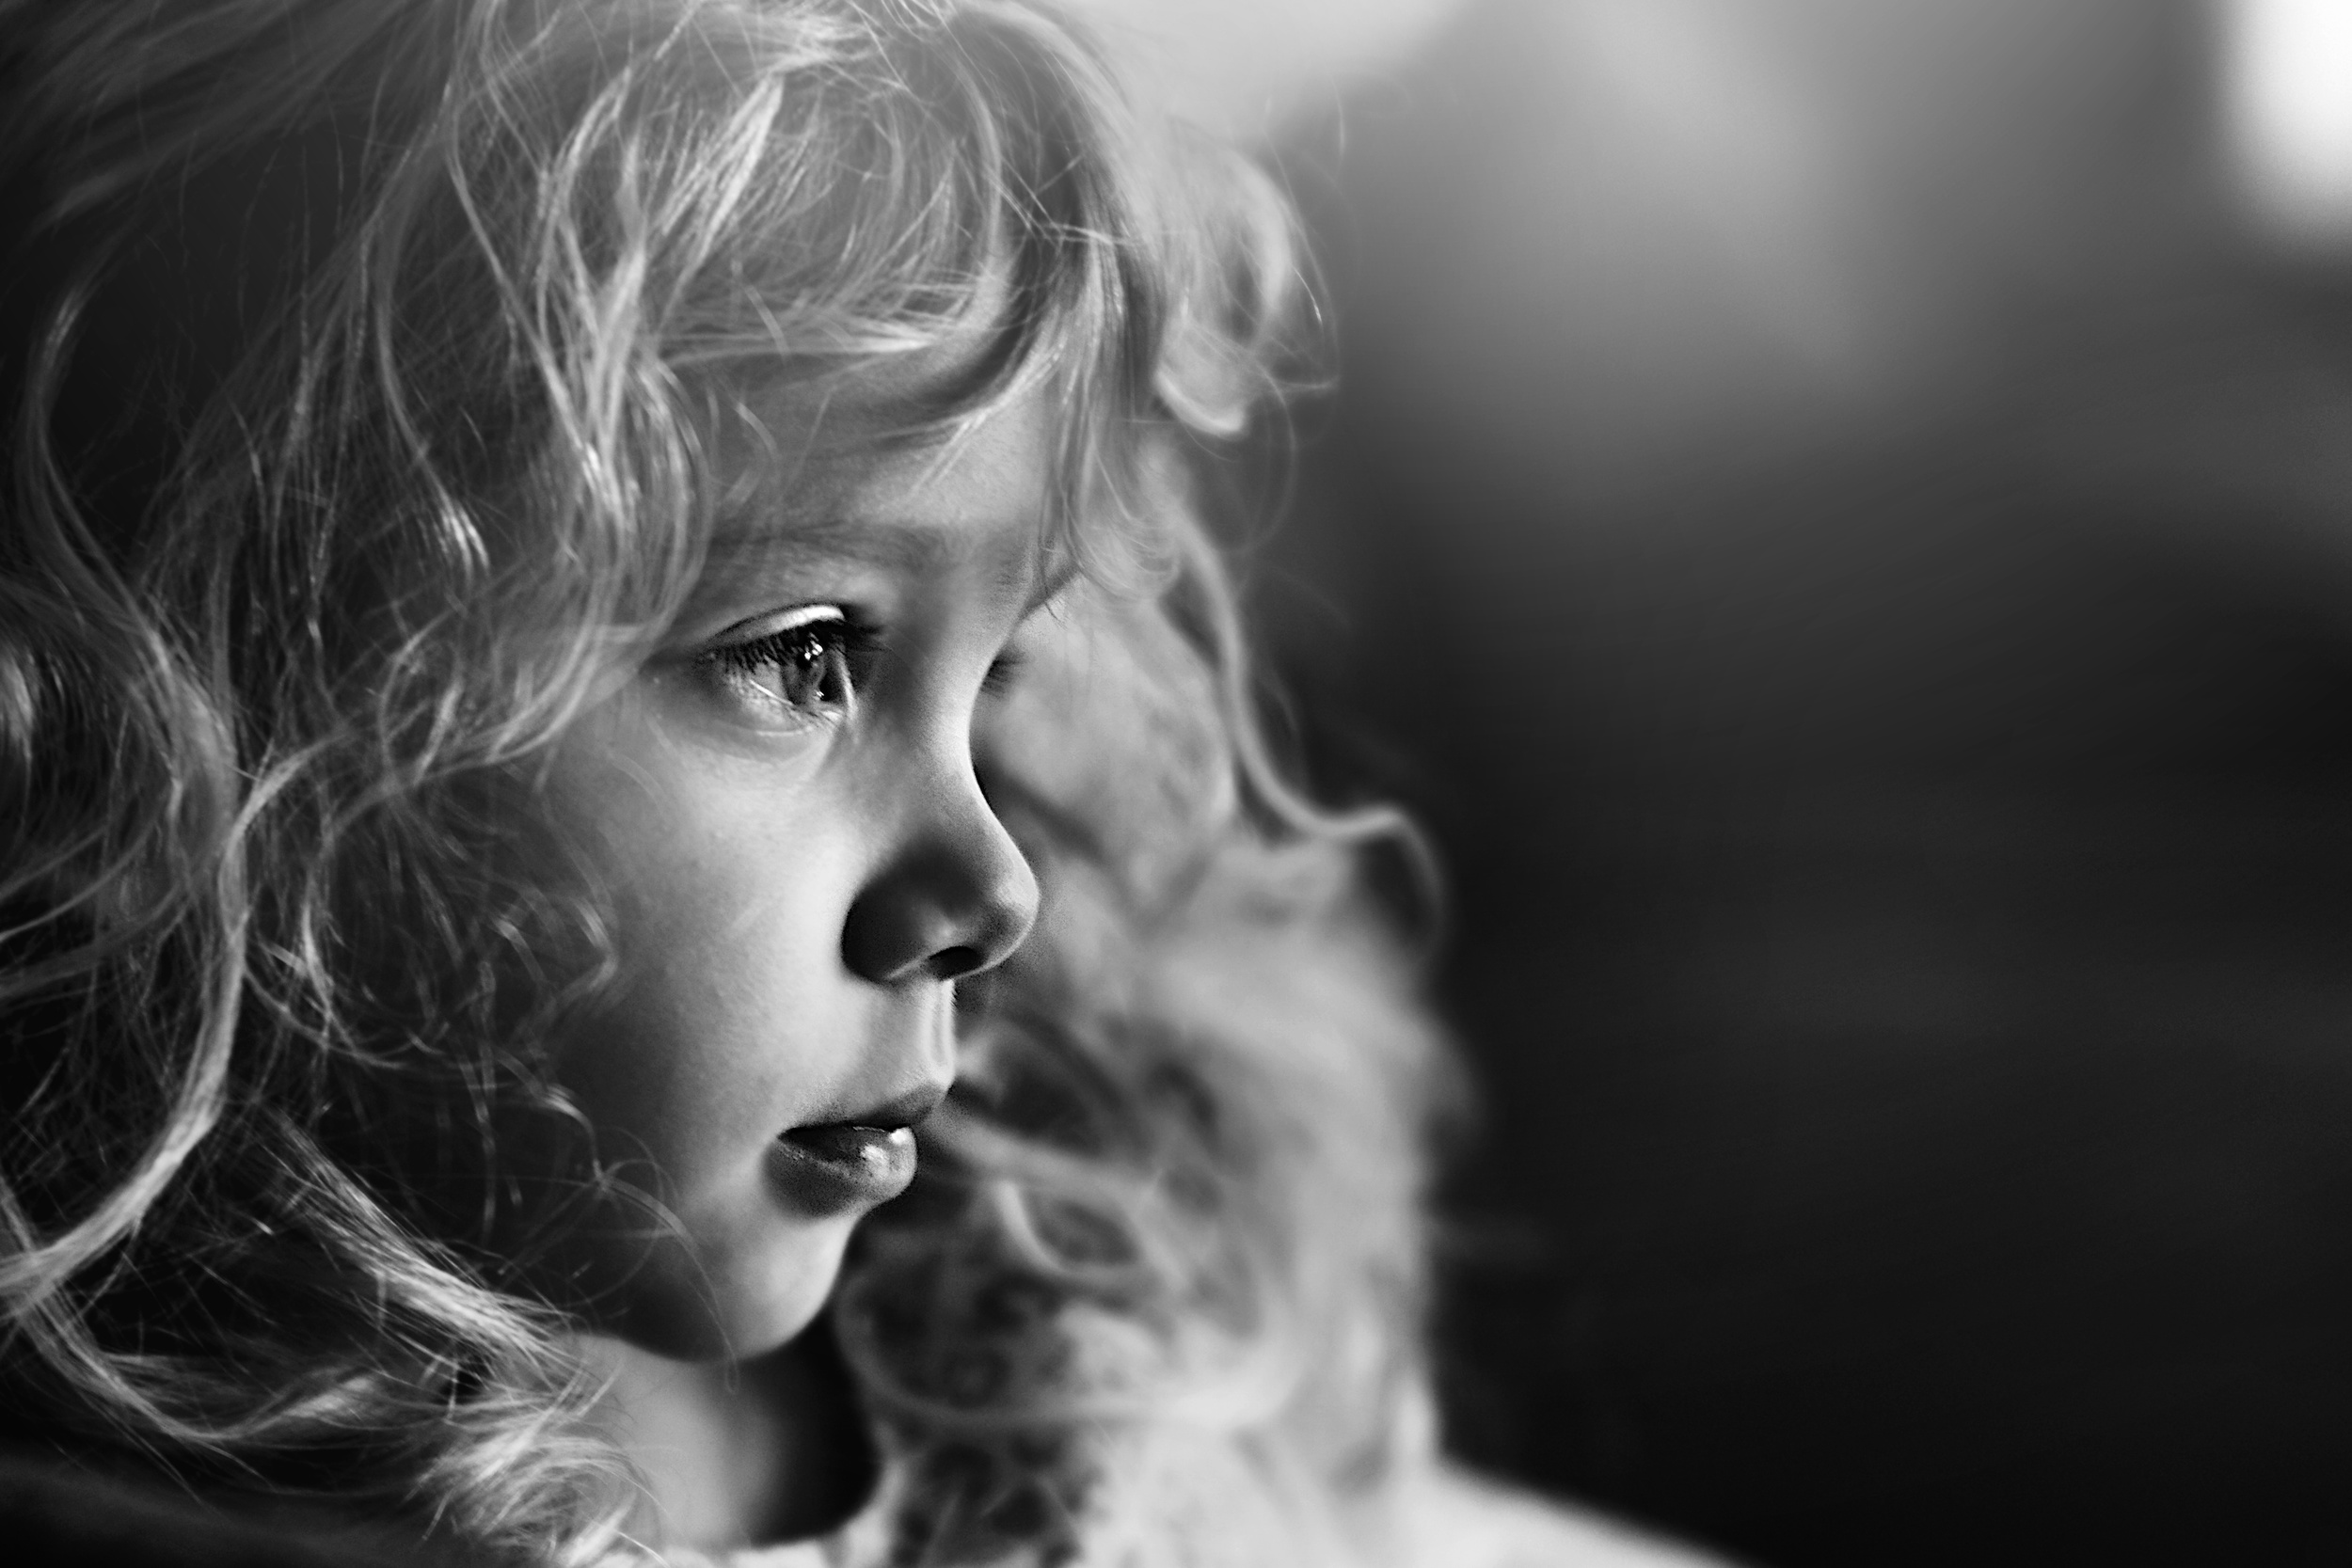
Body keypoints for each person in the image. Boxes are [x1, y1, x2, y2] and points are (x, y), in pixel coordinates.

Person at [0, 1, 1722, 1562]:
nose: (995, 890)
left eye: (1002, 676)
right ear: (226, 698)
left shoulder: (1076, 1342)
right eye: (803, 657)